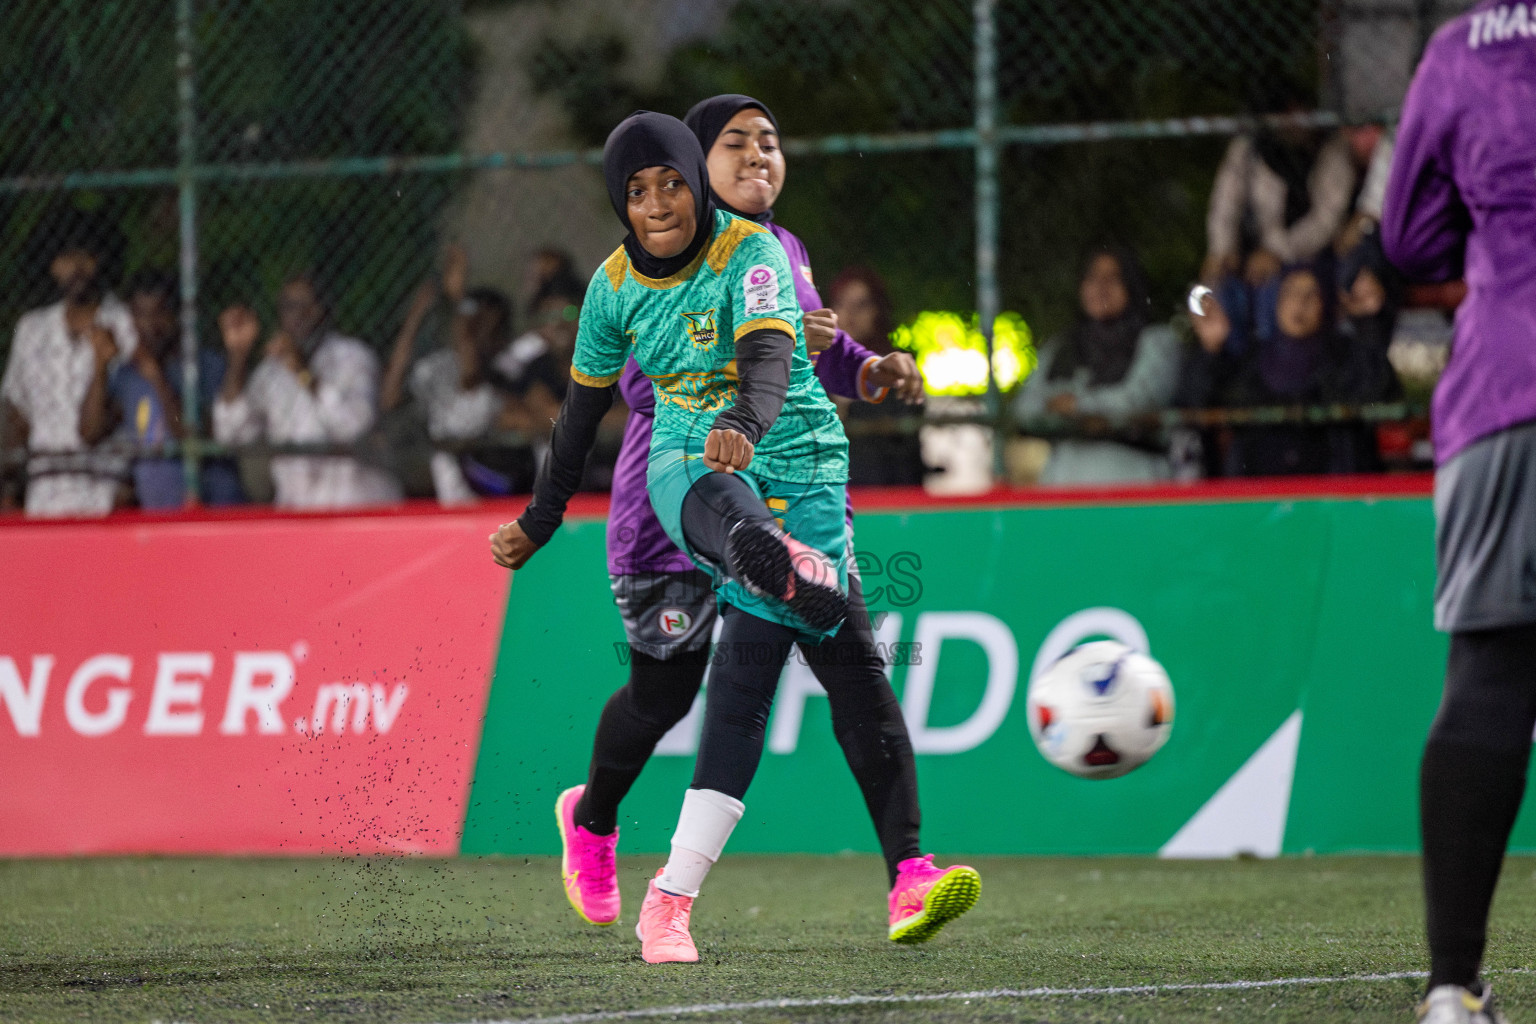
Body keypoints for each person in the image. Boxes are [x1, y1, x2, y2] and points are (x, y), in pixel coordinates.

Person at [489, 111, 976, 964]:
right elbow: (633, 383)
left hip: (774, 483)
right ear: (692, 162)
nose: (757, 155)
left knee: (816, 670)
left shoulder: (774, 250)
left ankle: (902, 872)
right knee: (662, 697)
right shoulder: (640, 274)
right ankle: (593, 818)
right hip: (670, 515)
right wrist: (542, 515)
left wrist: (862, 366)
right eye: (734, 144)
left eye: (772, 141)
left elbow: (798, 356)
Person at [1382, 5, 1536, 1021]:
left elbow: (1407, 233)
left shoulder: (1465, 45)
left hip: (1508, 381)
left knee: (1491, 668)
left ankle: (1451, 987)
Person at [213, 271, 401, 509]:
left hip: (356, 507)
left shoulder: (353, 357)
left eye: (307, 305)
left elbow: (354, 426)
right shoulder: (271, 371)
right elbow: (229, 432)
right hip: (298, 510)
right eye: (290, 306)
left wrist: (303, 373)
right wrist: (238, 357)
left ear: (324, 310)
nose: (300, 314)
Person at [1188, 262, 1390, 476]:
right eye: (1291, 292)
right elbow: (1197, 404)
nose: (1300, 303)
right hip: (1257, 497)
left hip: (1331, 497)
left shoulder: (1346, 355)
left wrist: (1369, 324)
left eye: (1311, 294)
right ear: (1276, 301)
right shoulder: (1251, 360)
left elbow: (1380, 395)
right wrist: (1211, 350)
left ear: (1326, 303)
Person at [1, 219, 137, 517]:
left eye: (85, 257)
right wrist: (9, 490)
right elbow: (16, 408)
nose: (75, 267)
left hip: (106, 488)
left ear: (100, 261)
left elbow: (121, 413)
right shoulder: (32, 329)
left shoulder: (126, 325)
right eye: (64, 258)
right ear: (51, 266)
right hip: (44, 492)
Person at [1013, 246, 1180, 484]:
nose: (1101, 288)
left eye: (1112, 278)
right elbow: (1025, 409)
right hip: (1065, 482)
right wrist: (1080, 411)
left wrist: (1076, 405)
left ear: (1131, 286)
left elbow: (1139, 402)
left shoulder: (1157, 340)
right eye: (1092, 278)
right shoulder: (1061, 347)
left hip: (1133, 480)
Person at [78, 271, 243, 509]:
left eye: (159, 313)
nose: (150, 325)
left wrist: (158, 379)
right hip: (160, 514)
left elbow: (191, 435)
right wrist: (100, 366)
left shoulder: (206, 366)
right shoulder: (128, 374)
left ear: (177, 316)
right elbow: (90, 433)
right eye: (140, 315)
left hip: (213, 509)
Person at [381, 245, 516, 504]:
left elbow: (470, 374)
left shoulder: (508, 368)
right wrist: (415, 318)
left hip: (496, 498)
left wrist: (457, 297)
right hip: (450, 500)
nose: (480, 334)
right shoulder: (439, 367)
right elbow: (390, 397)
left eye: (491, 327)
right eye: (476, 324)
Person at [828, 265, 927, 486]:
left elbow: (901, 439)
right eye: (842, 303)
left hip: (885, 494)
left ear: (878, 311)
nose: (850, 314)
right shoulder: (815, 367)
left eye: (861, 305)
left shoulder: (897, 368)